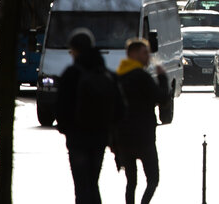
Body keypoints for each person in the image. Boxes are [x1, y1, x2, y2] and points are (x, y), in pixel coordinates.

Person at [56, 28, 124, 204]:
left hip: (77, 138)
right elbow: (120, 108)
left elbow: (61, 107)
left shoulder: (71, 74)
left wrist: (66, 129)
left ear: (75, 50)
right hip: (100, 137)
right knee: (93, 182)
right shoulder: (107, 74)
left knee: (81, 185)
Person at [114, 38, 170, 204]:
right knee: (153, 179)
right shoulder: (142, 76)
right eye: (144, 53)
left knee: (131, 182)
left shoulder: (119, 76)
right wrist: (162, 78)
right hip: (144, 137)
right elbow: (162, 98)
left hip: (123, 139)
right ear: (133, 54)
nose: (148, 57)